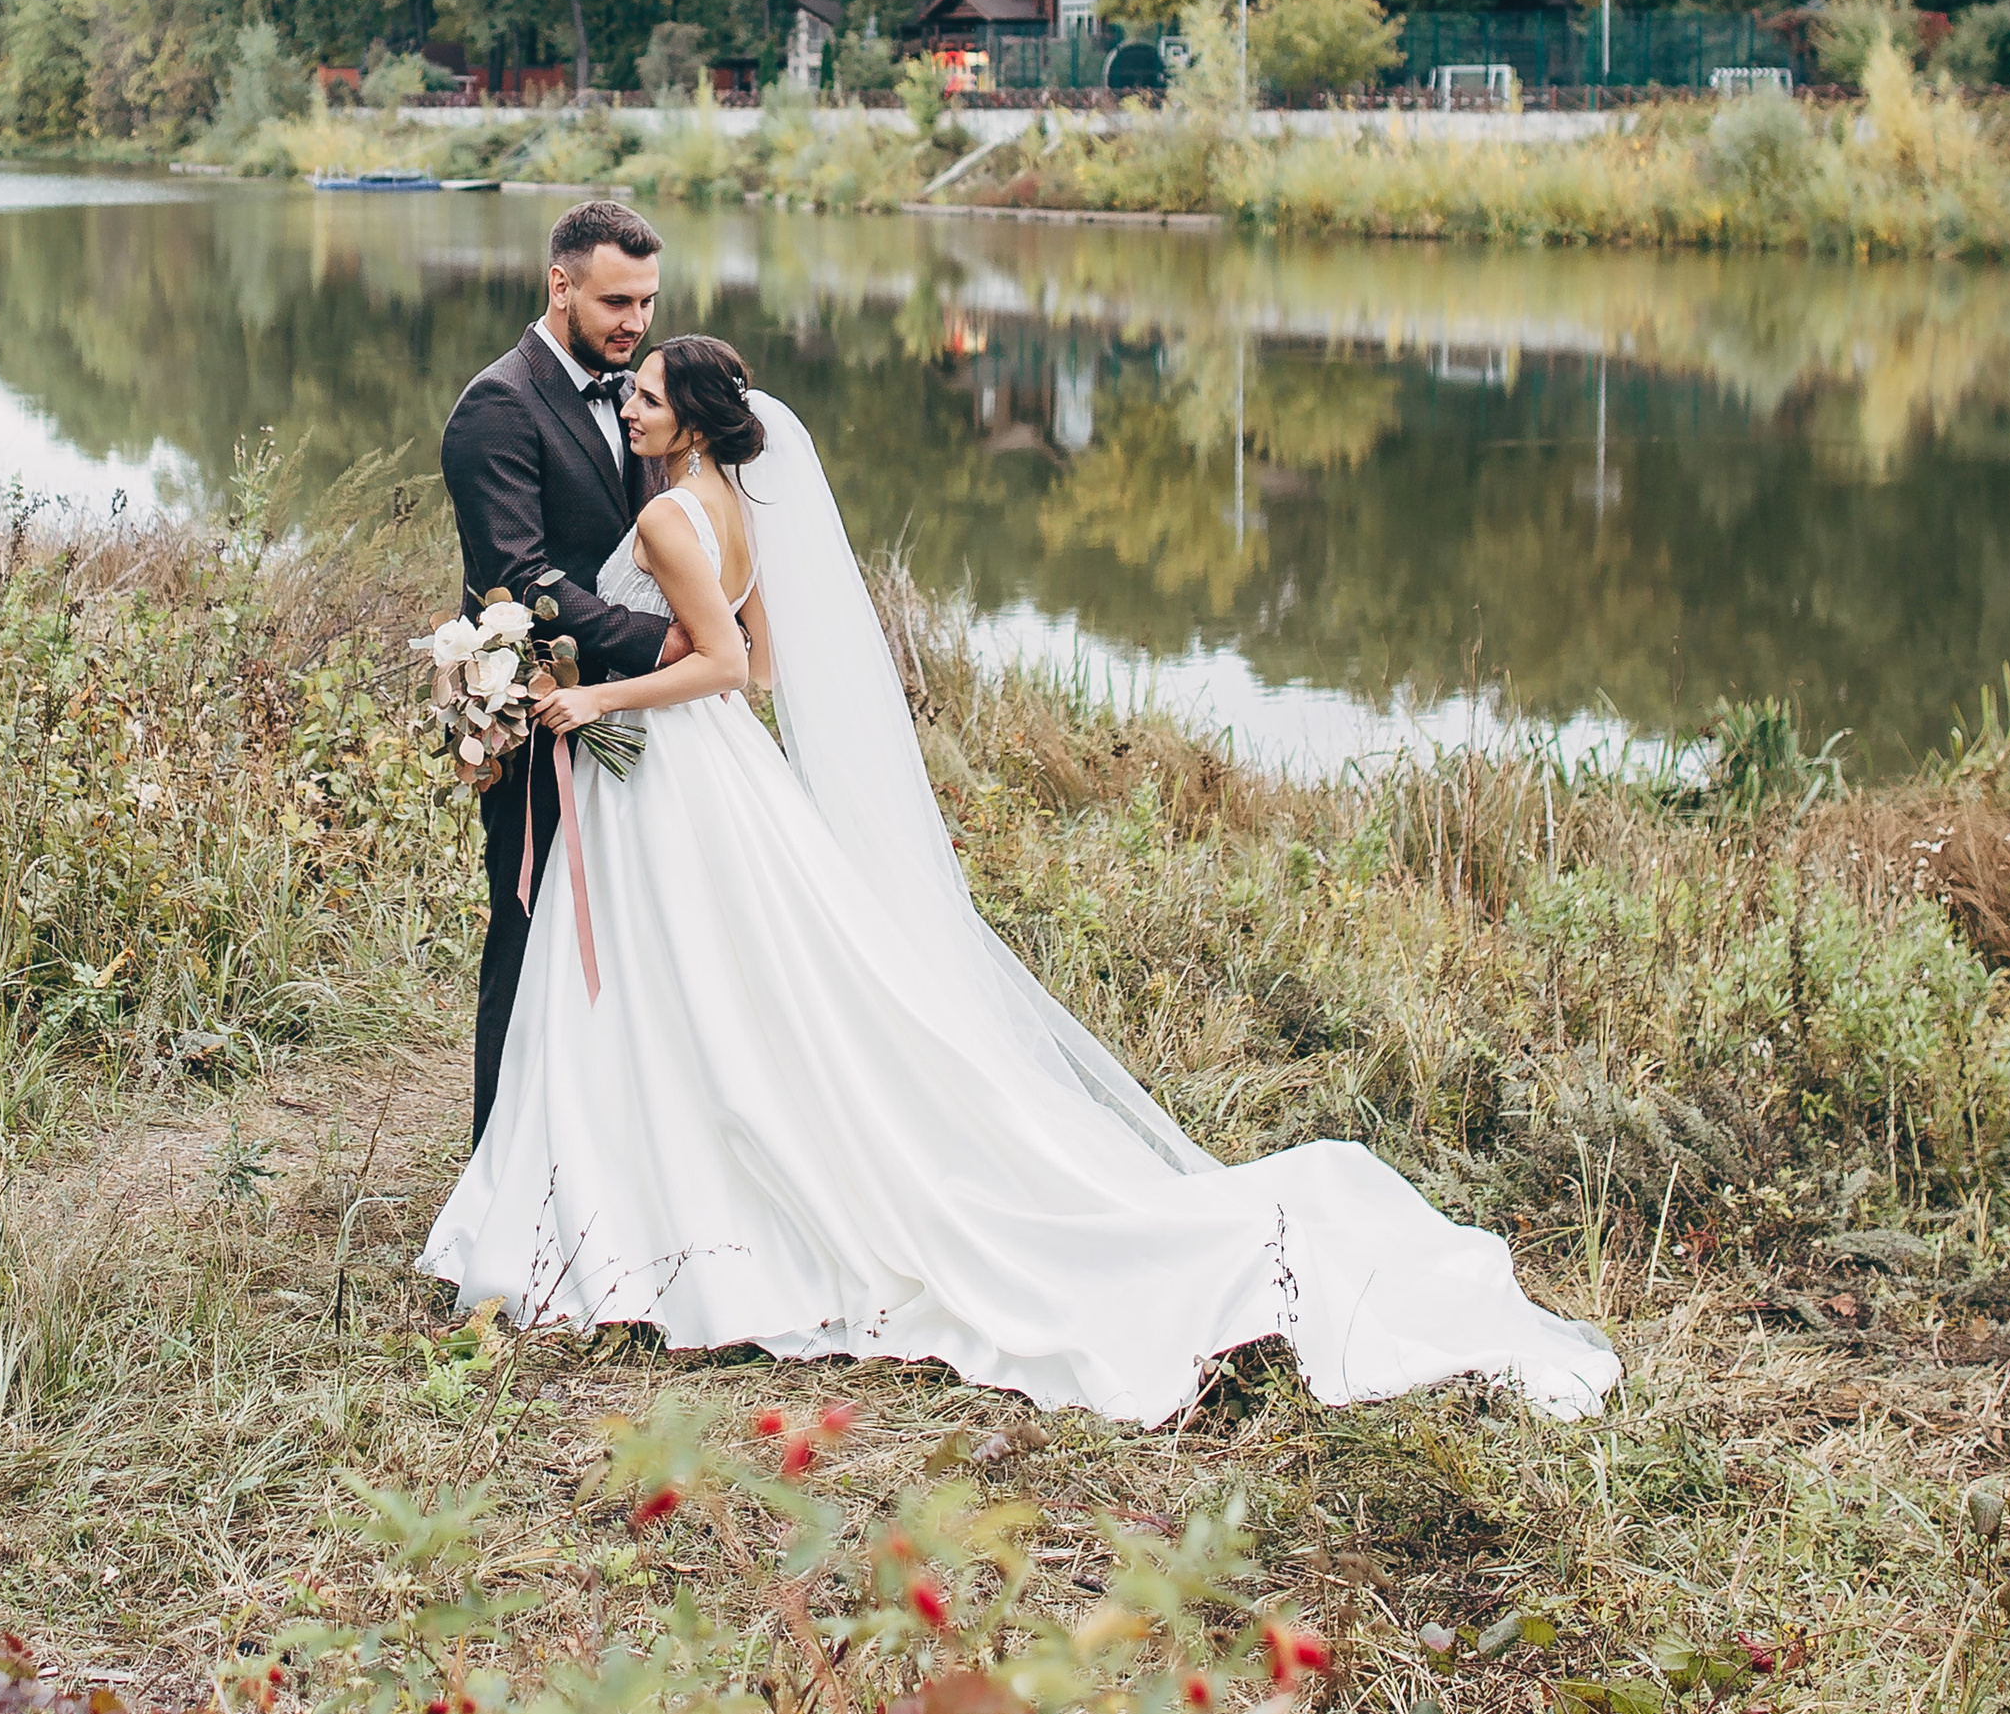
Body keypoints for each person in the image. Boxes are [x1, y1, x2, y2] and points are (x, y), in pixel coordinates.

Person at [424, 333, 1619, 1425]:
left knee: (673, 982)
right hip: (714, 773)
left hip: (676, 771)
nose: (627, 408)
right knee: (712, 985)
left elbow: (729, 665)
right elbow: (765, 655)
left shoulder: (678, 519)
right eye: (628, 393)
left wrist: (593, 696)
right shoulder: (733, 504)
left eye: (644, 400)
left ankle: (634, 1216)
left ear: (686, 420)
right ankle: (636, 1202)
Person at [438, 198, 689, 1143]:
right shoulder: (498, 404)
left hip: (632, 709)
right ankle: (495, 1163)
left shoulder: (646, 392)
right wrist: (661, 644)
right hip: (538, 708)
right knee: (529, 925)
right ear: (561, 284)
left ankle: (609, 1150)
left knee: (633, 931)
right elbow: (520, 576)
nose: (634, 322)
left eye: (648, 302)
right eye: (617, 301)